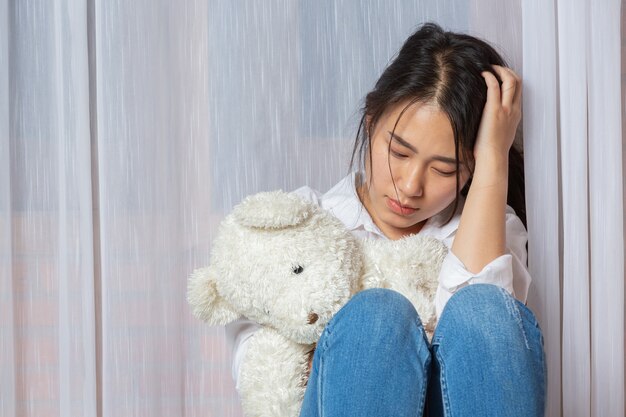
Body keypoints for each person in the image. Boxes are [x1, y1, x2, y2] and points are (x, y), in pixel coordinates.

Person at [225, 22, 546, 417]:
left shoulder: (494, 228)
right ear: (372, 118)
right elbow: (255, 366)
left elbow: (485, 349)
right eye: (399, 152)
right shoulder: (303, 221)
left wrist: (495, 159)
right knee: (376, 318)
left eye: (445, 170)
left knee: (483, 307)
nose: (411, 186)